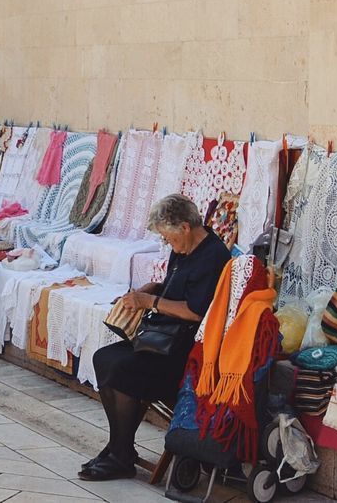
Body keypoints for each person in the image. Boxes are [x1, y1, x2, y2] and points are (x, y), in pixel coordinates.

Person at [80, 193, 231, 481]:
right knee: (104, 358)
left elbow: (196, 311)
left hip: (184, 351)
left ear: (185, 227)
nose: (168, 244)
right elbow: (178, 287)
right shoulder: (185, 248)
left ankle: (120, 454)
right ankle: (120, 449)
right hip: (163, 337)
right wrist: (153, 288)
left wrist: (150, 303)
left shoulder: (212, 257)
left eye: (169, 238)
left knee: (123, 369)